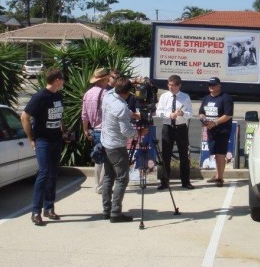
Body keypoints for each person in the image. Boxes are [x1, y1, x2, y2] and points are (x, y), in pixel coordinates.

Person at [21, 68, 67, 226]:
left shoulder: (58, 95)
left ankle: (49, 207)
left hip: (56, 140)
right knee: (44, 172)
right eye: (62, 79)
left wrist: (63, 130)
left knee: (53, 174)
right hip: (43, 140)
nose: (64, 81)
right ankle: (35, 211)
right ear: (57, 81)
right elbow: (24, 116)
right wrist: (31, 139)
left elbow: (59, 115)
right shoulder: (40, 96)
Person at [101, 77, 147, 223]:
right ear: (126, 93)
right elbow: (126, 131)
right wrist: (139, 133)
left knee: (108, 176)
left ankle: (106, 209)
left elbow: (117, 90)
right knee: (122, 178)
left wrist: (133, 81)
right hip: (116, 145)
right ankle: (115, 212)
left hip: (106, 142)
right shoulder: (121, 107)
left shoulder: (108, 96)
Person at [155, 74, 194, 190]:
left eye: (173, 85)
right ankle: (164, 181)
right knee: (165, 156)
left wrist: (183, 114)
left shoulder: (185, 97)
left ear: (179, 86)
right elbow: (158, 112)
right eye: (169, 85)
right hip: (168, 127)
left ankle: (185, 181)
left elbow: (190, 113)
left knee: (184, 156)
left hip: (181, 127)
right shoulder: (164, 96)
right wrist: (169, 115)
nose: (171, 87)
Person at [199, 77, 234, 187]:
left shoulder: (225, 98)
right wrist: (204, 120)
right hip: (210, 130)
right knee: (214, 153)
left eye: (213, 85)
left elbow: (228, 115)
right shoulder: (206, 98)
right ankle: (217, 175)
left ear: (219, 86)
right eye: (209, 85)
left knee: (220, 153)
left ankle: (220, 178)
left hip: (222, 130)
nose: (211, 87)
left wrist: (215, 122)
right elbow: (201, 112)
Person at [82, 67, 111, 195]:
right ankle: (102, 186)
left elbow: (84, 115)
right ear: (104, 79)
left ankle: (97, 185)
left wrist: (85, 130)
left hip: (94, 129)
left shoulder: (87, 93)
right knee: (106, 159)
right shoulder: (106, 94)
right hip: (105, 130)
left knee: (98, 158)